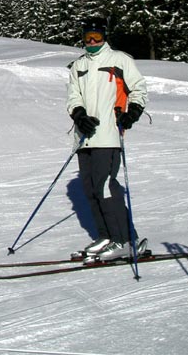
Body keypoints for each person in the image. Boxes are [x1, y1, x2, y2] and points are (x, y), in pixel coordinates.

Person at [67, 17, 148, 261]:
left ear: (105, 36)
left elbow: (139, 89)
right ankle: (107, 236)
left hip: (109, 135)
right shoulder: (78, 65)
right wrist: (79, 115)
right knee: (90, 189)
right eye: (87, 37)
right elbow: (73, 97)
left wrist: (132, 112)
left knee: (106, 187)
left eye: (97, 37)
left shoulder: (120, 60)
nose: (92, 42)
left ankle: (124, 239)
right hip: (84, 138)